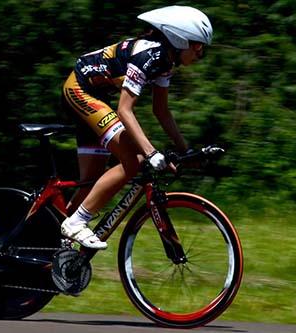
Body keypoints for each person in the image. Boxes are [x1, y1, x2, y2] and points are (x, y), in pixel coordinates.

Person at [60, 5, 213, 249]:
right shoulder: (147, 56)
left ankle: (53, 242)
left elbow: (161, 111)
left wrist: (185, 149)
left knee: (90, 183)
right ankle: (75, 223)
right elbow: (124, 110)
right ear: (180, 39)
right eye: (198, 46)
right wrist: (151, 153)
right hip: (80, 89)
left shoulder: (165, 62)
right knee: (134, 159)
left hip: (97, 96)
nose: (200, 54)